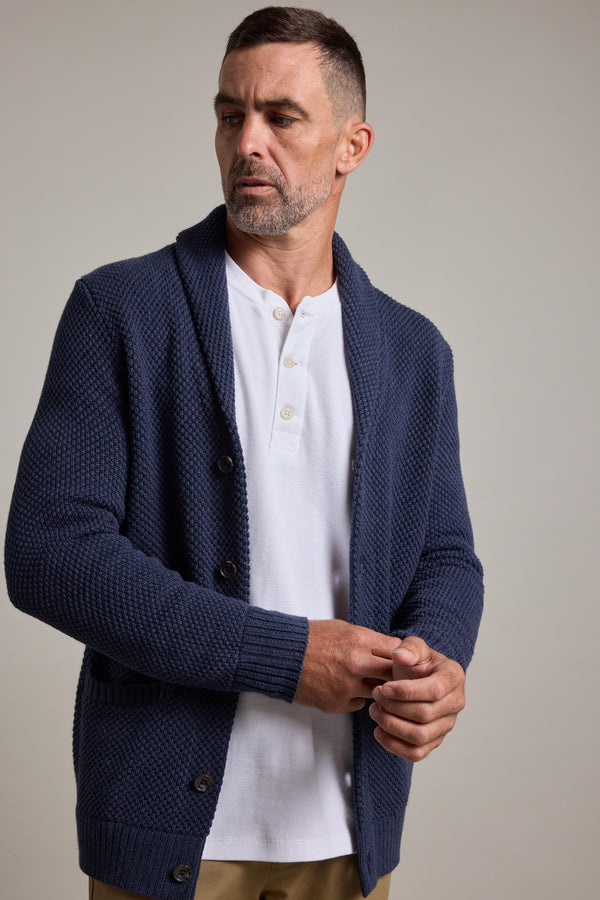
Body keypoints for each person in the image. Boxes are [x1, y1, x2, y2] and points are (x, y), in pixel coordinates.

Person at [5, 7, 483, 900]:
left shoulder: (415, 351)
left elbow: (447, 555)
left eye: (281, 116)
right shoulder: (122, 312)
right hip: (171, 836)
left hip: (349, 832)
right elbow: (48, 553)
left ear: (352, 144)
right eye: (230, 115)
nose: (246, 141)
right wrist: (287, 656)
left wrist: (436, 662)